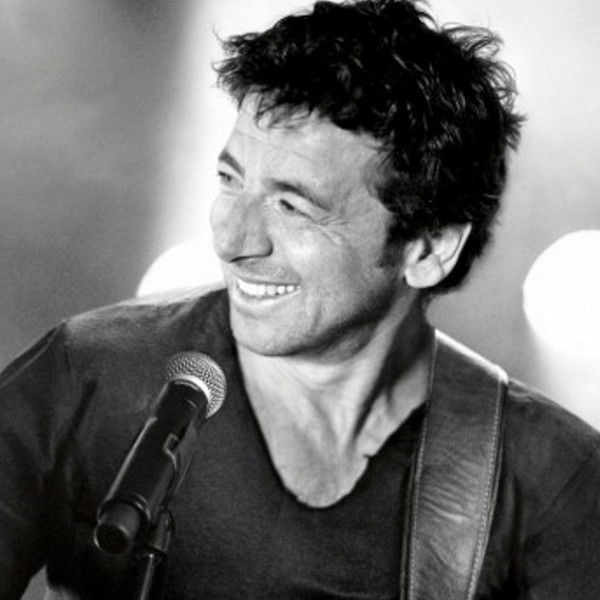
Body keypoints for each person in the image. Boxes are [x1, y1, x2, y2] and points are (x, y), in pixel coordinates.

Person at [1, 0, 600, 598]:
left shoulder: (551, 476)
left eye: (293, 206)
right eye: (231, 180)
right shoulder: (87, 374)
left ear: (429, 248)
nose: (232, 241)